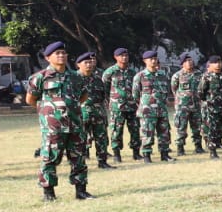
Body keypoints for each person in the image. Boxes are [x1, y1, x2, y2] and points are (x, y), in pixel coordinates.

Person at [27, 42, 92, 200]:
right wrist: (49, 111)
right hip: (53, 127)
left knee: (78, 158)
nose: (61, 55)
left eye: (63, 52)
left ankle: (81, 191)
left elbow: (83, 96)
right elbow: (30, 99)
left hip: (75, 124)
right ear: (48, 57)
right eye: (57, 53)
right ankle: (48, 193)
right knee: (50, 158)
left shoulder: (76, 77)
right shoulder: (40, 77)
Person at [132, 50, 175, 162]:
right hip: (147, 110)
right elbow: (135, 94)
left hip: (161, 109)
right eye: (151, 59)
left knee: (164, 133)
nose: (153, 61)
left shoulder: (162, 75)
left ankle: (165, 154)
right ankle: (147, 155)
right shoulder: (139, 76)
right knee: (147, 133)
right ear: (145, 61)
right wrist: (144, 105)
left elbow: (167, 91)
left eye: (155, 58)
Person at [74, 52, 113, 169]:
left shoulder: (97, 79)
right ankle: (79, 163)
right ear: (78, 65)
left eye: (90, 62)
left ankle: (102, 161)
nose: (89, 65)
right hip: (81, 113)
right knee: (80, 139)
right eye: (86, 62)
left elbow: (102, 96)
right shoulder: (73, 79)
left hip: (98, 113)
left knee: (101, 138)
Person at [102, 47, 141, 162]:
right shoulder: (110, 72)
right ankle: (116, 154)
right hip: (117, 107)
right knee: (116, 130)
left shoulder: (133, 72)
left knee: (135, 129)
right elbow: (105, 88)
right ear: (116, 57)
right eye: (121, 55)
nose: (124, 57)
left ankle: (136, 152)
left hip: (132, 106)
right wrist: (110, 101)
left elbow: (137, 88)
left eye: (126, 55)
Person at [196, 54, 222, 158]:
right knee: (212, 130)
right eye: (215, 63)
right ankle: (213, 152)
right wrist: (210, 102)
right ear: (210, 64)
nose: (218, 65)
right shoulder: (206, 77)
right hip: (213, 109)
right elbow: (200, 93)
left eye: (219, 62)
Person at [171, 54, 203, 156]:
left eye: (190, 60)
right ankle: (180, 148)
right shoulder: (177, 75)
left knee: (197, 127)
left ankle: (198, 146)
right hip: (182, 107)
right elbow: (174, 89)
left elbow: (202, 88)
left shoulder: (199, 74)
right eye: (186, 61)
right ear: (182, 64)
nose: (189, 62)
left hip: (196, 105)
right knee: (181, 127)